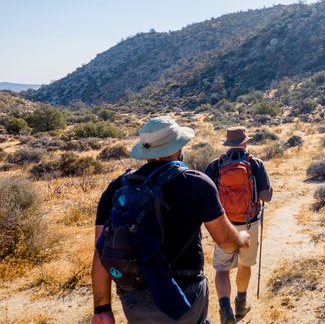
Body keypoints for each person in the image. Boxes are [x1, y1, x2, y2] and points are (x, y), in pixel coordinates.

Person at [92, 116, 250, 324]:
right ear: (178, 146)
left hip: (134, 298)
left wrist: (102, 308)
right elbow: (224, 241)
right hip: (184, 296)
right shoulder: (196, 183)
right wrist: (241, 238)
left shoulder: (118, 187)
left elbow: (102, 251)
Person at [205, 126, 273, 324]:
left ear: (227, 144)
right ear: (245, 143)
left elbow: (207, 196)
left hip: (224, 224)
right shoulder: (256, 164)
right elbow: (265, 197)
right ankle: (240, 304)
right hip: (249, 223)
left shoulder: (215, 165)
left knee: (221, 268)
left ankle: (224, 307)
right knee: (245, 263)